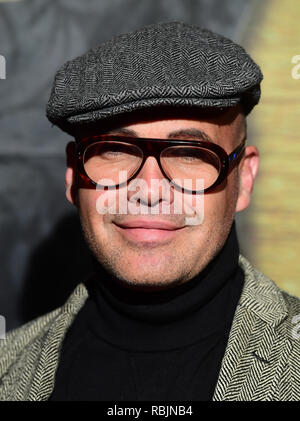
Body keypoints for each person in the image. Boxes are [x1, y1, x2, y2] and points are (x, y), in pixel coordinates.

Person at [0, 21, 299, 402]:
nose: (149, 191)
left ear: (244, 180)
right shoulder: (8, 369)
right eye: (116, 149)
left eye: (191, 153)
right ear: (74, 175)